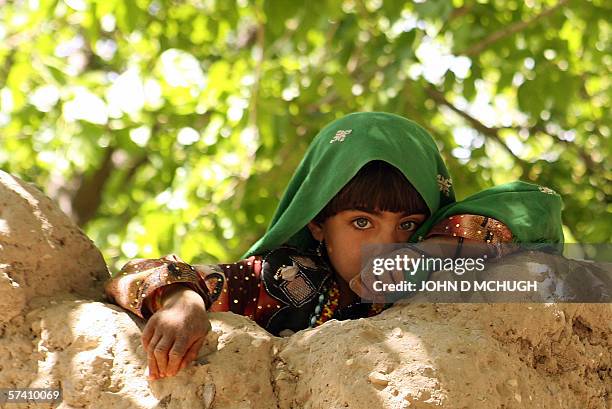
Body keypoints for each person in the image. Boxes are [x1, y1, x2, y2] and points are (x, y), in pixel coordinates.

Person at [104, 112, 563, 380]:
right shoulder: (281, 278)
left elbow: (537, 205)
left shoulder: (441, 277)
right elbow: (135, 271)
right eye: (361, 221)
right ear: (319, 224)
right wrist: (183, 301)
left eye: (408, 224)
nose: (385, 244)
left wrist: (436, 248)